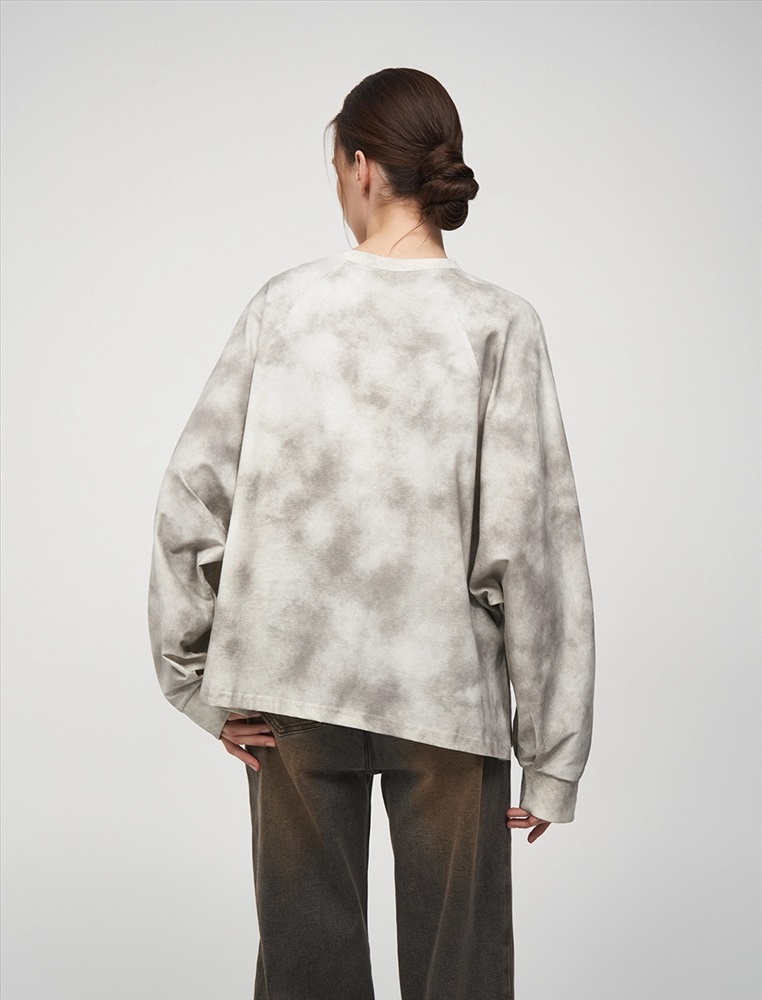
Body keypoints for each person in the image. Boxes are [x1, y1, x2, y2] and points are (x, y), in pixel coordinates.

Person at [147, 67, 596, 1000]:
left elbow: (193, 495)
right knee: (459, 975)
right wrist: (551, 756)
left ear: (358, 166)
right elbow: (534, 548)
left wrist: (194, 679)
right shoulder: (498, 324)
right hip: (445, 694)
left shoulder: (284, 305)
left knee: (305, 975)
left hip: (290, 691)